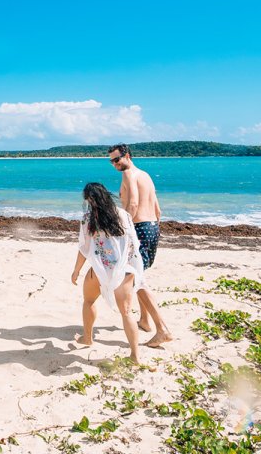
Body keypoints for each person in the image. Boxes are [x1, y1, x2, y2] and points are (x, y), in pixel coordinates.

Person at [71, 182, 144, 363]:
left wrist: (76, 270)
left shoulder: (88, 218)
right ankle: (135, 356)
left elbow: (84, 248)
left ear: (89, 199)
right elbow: (134, 243)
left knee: (88, 301)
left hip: (99, 269)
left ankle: (88, 338)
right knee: (126, 313)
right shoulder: (123, 214)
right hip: (124, 270)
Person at [109, 143, 173, 346]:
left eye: (117, 159)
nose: (114, 164)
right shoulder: (145, 175)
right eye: (111, 161)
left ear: (127, 156)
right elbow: (158, 209)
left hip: (139, 226)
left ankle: (162, 328)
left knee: (134, 277)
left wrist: (123, 228)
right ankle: (145, 321)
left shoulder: (129, 174)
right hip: (152, 226)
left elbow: (134, 203)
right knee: (138, 275)